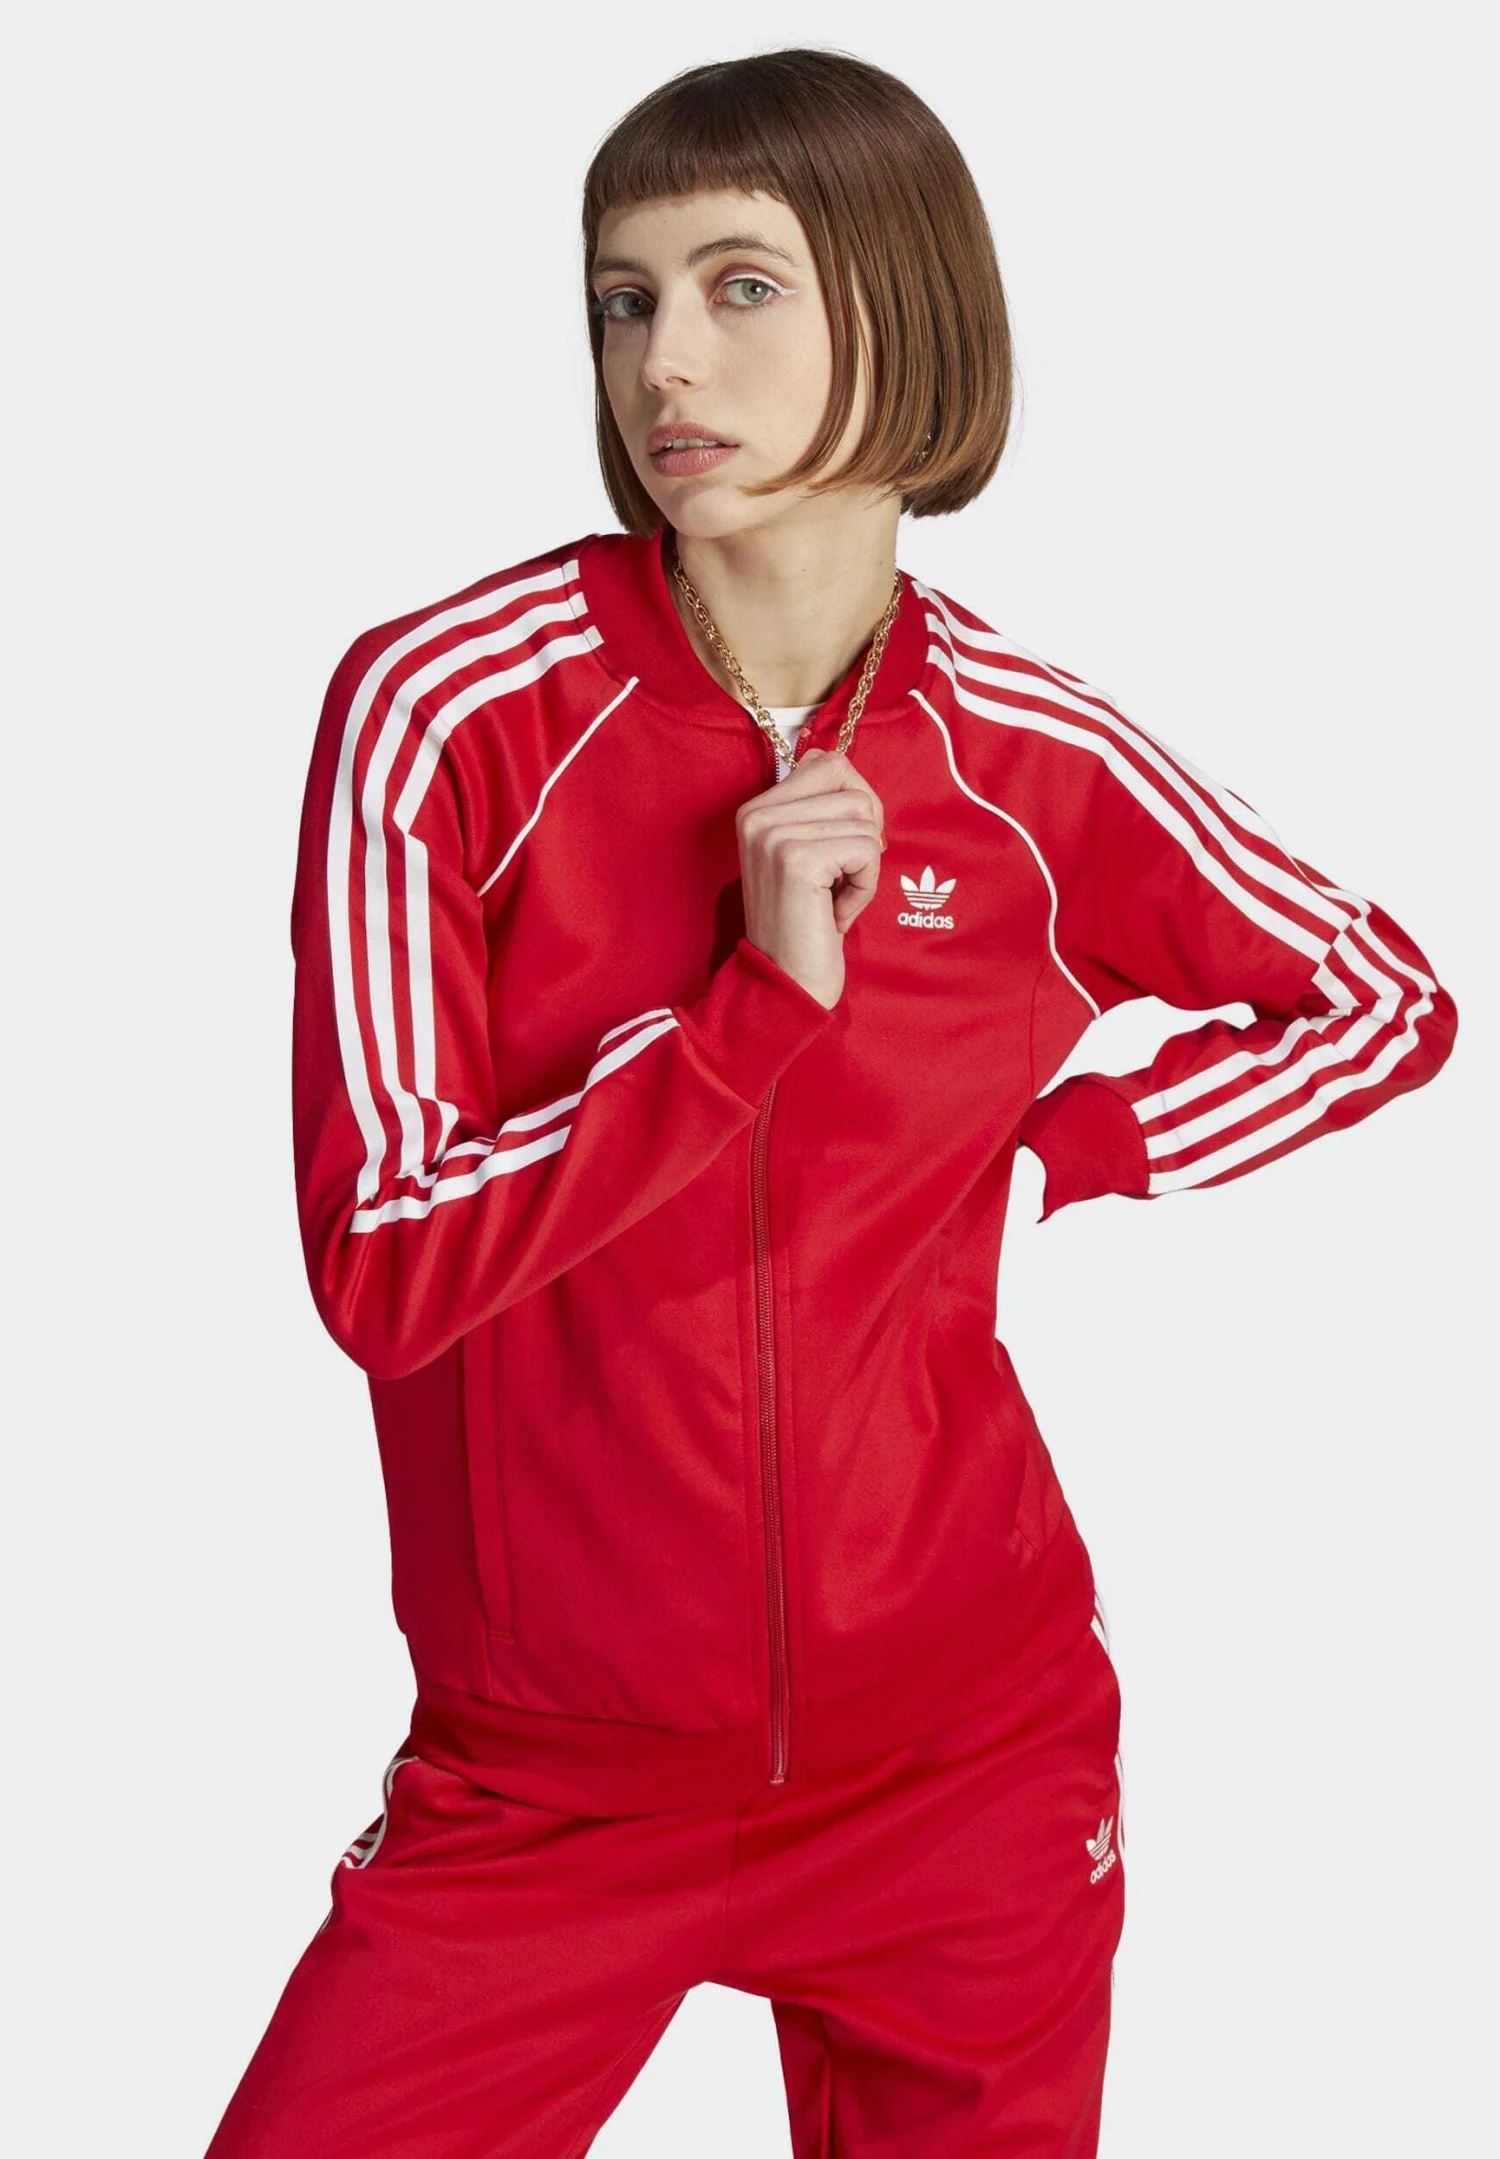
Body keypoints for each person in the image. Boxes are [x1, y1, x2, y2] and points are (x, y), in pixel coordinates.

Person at [202, 46, 1459, 2159]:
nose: (663, 363)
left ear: (900, 302)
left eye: (738, 286)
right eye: (622, 300)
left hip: (962, 1760)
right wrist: (744, 1021)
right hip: (549, 1786)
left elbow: (1382, 997)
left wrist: (1064, 1155)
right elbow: (384, 1260)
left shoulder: (1031, 757)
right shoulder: (449, 710)